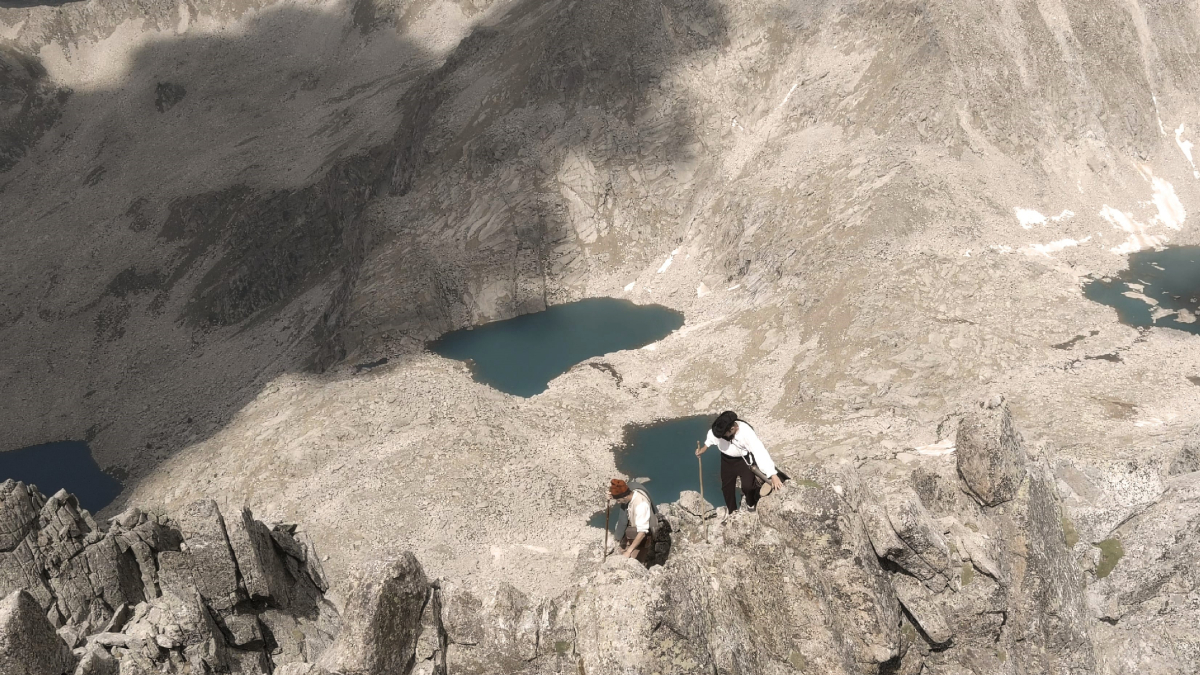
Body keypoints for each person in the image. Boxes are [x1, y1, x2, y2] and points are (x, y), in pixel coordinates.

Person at [695, 411, 784, 513]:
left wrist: (773, 475)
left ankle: (751, 503)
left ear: (733, 429)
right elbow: (711, 438)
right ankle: (732, 511)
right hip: (726, 461)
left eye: (725, 434)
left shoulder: (746, 432)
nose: (722, 437)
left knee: (748, 487)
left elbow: (759, 451)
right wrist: (703, 449)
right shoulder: (720, 431)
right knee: (727, 488)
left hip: (744, 461)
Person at [608, 478, 661, 563]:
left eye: (618, 500)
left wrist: (629, 551)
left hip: (642, 538)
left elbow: (642, 533)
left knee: (633, 562)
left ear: (624, 496)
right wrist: (612, 495)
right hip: (632, 532)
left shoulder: (641, 505)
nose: (618, 503)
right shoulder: (630, 490)